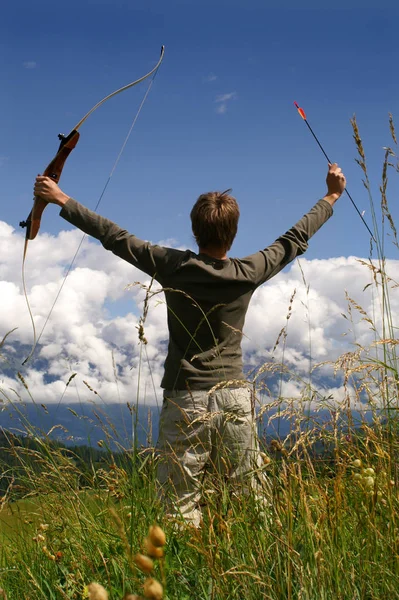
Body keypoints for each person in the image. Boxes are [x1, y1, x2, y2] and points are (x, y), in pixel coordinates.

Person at [33, 163, 346, 526]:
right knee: (250, 491)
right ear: (233, 231)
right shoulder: (249, 271)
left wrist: (59, 199)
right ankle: (263, 567)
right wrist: (332, 194)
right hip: (234, 396)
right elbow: (294, 238)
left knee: (178, 501)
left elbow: (113, 236)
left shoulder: (172, 265)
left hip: (186, 396)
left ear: (195, 230)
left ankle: (182, 574)